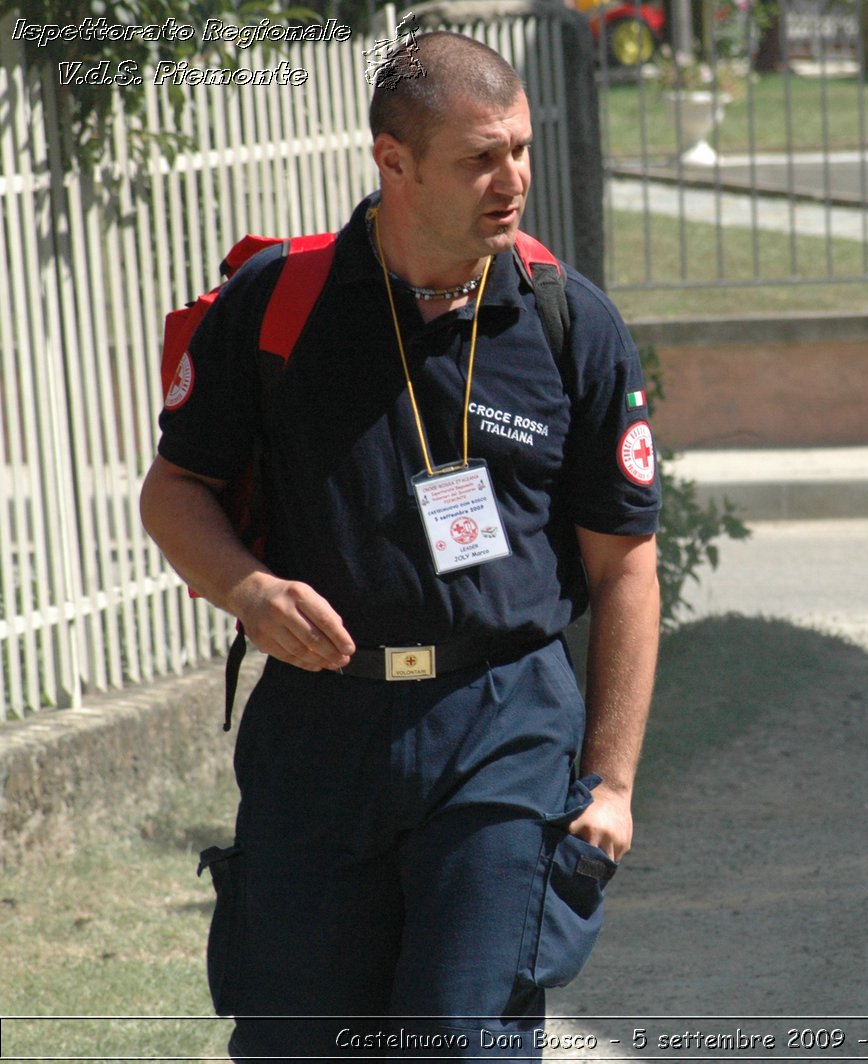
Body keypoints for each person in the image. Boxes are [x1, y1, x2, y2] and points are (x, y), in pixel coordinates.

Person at [140, 31, 660, 1059]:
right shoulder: (277, 308)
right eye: (480, 158)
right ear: (394, 162)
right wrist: (246, 588)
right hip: (319, 727)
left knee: (462, 1038)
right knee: (299, 1043)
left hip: (502, 725)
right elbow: (174, 491)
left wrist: (611, 782)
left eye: (517, 149)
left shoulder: (568, 321)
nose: (512, 179)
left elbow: (625, 562)